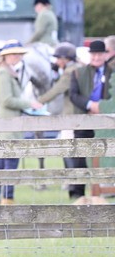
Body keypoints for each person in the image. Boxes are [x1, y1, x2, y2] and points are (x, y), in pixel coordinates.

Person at [0, 45, 44, 204]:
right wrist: (29, 104)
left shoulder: (7, 72)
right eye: (14, 54)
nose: (17, 57)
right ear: (6, 56)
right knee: (8, 164)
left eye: (19, 55)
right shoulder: (3, 73)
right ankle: (6, 199)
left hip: (7, 124)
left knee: (2, 165)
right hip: (5, 125)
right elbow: (7, 100)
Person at [66, 39, 113, 204]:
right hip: (84, 119)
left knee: (105, 154)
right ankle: (77, 192)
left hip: (106, 120)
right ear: (90, 55)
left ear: (106, 55)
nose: (97, 57)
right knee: (80, 155)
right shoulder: (79, 73)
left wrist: (103, 107)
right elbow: (73, 94)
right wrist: (90, 105)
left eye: (100, 54)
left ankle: (105, 190)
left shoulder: (111, 72)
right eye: (94, 54)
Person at [38, 42, 85, 200]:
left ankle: (71, 181)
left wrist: (40, 101)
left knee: (68, 150)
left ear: (66, 59)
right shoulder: (79, 67)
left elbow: (57, 89)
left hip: (70, 117)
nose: (57, 61)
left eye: (59, 58)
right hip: (78, 116)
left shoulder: (70, 71)